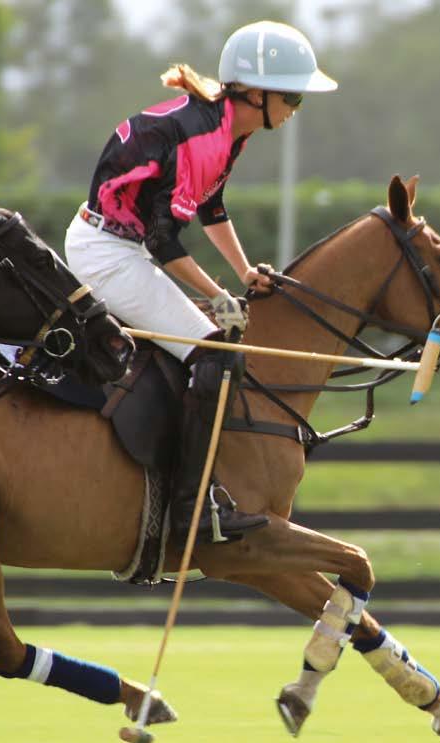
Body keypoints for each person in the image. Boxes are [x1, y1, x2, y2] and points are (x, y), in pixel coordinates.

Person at [64, 21, 337, 543]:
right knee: (215, 354)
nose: (295, 109)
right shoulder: (204, 137)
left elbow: (211, 207)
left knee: (208, 344)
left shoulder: (228, 129)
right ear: (256, 93)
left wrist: (243, 272)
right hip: (108, 253)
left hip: (121, 245)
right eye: (293, 98)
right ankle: (193, 506)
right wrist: (217, 294)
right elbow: (164, 242)